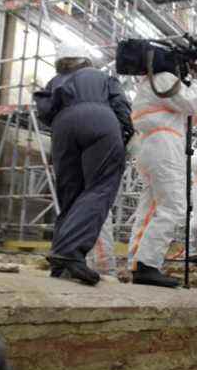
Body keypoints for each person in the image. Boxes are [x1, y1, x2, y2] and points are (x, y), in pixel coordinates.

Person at [34, 43, 133, 286]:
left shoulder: (55, 81)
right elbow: (121, 105)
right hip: (99, 119)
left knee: (70, 194)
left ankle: (60, 261)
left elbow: (44, 113)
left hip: (62, 127)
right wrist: (125, 134)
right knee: (100, 187)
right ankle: (72, 252)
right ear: (86, 60)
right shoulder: (102, 77)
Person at [127, 61, 197, 288]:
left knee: (150, 207)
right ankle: (147, 265)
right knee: (173, 206)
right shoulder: (163, 78)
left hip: (150, 144)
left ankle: (137, 261)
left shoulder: (149, 82)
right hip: (164, 145)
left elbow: (190, 114)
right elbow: (191, 104)